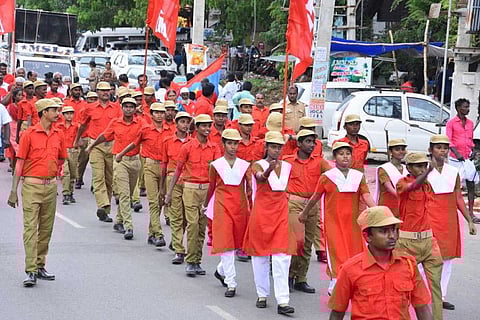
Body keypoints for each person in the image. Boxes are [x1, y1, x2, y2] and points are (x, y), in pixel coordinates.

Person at [328, 206, 433, 320]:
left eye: (393, 230)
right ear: (367, 237)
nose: (392, 236)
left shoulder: (408, 264)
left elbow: (422, 307)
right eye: (383, 231)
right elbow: (337, 313)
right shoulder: (350, 269)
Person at [299, 141, 375, 295]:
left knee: (355, 251)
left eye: (348, 154)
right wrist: (305, 212)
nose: (345, 157)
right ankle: (335, 280)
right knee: (336, 250)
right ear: (334, 157)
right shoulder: (327, 177)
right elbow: (315, 197)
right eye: (341, 154)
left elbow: (366, 195)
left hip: (353, 223)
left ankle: (354, 281)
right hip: (333, 221)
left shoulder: (358, 176)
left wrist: (376, 210)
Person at [7, 98, 66, 287]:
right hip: (31, 186)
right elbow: (20, 163)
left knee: (46, 229)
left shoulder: (59, 134)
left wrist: (56, 179)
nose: (57, 113)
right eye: (53, 110)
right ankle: (30, 269)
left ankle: (41, 265)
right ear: (43, 113)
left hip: (50, 187)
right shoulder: (29, 134)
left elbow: (60, 159)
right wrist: (13, 191)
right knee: (30, 229)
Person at [243, 131, 295, 315]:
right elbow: (259, 178)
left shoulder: (288, 166)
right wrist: (268, 170)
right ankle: (262, 294)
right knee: (260, 256)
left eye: (279, 147)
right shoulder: (258, 164)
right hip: (262, 213)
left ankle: (283, 300)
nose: (276, 150)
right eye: (273, 146)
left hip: (280, 213)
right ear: (266, 148)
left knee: (283, 256)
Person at [165, 114, 221, 276]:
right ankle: (190, 261)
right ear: (196, 128)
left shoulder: (214, 148)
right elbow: (178, 170)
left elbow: (218, 171)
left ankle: (197, 260)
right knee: (193, 224)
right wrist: (169, 192)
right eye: (203, 126)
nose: (207, 129)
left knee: (202, 227)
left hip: (207, 190)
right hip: (190, 189)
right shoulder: (187, 147)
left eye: (209, 126)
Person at [427, 134, 477, 310]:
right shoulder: (424, 170)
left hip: (449, 219)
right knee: (428, 258)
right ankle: (425, 295)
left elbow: (457, 197)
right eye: (438, 147)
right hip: (429, 218)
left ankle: (441, 295)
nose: (442, 150)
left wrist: (469, 220)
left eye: (445, 147)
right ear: (430, 149)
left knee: (446, 259)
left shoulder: (453, 172)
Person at [396, 152, 444, 320]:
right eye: (418, 166)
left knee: (436, 286)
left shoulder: (427, 185)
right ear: (408, 167)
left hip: (429, 240)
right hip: (407, 241)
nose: (422, 169)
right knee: (405, 285)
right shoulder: (402, 183)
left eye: (424, 165)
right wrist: (429, 171)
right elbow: (412, 187)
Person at [204, 128, 251, 298]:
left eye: (235, 143)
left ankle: (220, 270)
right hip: (222, 205)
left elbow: (249, 190)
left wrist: (250, 208)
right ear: (223, 144)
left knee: (236, 243)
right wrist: (205, 205)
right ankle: (231, 282)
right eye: (229, 143)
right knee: (226, 243)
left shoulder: (245, 165)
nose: (233, 147)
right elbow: (211, 187)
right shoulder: (216, 165)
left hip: (239, 207)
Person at [87, 98, 144, 239]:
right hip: (120, 161)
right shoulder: (116, 122)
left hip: (135, 161)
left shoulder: (141, 123)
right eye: (126, 106)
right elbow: (104, 136)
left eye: (131, 107)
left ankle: (118, 221)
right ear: (122, 108)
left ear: (135, 108)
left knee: (129, 194)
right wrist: (91, 146)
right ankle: (128, 226)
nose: (129, 109)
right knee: (124, 194)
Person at [117, 103, 172, 246]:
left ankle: (151, 233)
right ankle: (159, 234)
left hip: (166, 167)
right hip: (150, 166)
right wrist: (121, 154)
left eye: (162, 112)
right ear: (152, 114)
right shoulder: (146, 129)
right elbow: (134, 144)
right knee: (153, 201)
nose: (159, 115)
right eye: (156, 112)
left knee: (160, 201)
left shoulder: (170, 130)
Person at [283, 129, 331, 294]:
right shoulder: (287, 161)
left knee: (308, 243)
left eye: (313, 142)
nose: (311, 145)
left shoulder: (319, 162)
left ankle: (301, 279)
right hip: (294, 204)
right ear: (299, 143)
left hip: (312, 205)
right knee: (297, 241)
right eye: (308, 141)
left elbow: (333, 175)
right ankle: (289, 275)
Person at [74, 82, 122, 223]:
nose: (105, 93)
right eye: (102, 91)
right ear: (97, 92)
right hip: (95, 145)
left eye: (107, 91)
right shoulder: (89, 108)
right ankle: (103, 204)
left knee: (109, 179)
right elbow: (83, 125)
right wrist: (77, 139)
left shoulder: (117, 108)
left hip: (112, 145)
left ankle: (105, 211)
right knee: (98, 176)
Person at [161, 112, 193, 264]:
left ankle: (176, 241)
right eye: (182, 122)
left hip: (188, 181)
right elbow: (164, 164)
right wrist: (163, 188)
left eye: (187, 122)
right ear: (176, 123)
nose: (185, 125)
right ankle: (179, 250)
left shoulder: (192, 142)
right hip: (172, 179)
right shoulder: (168, 141)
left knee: (187, 217)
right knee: (176, 215)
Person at [446, 98, 480, 223]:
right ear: (458, 108)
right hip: (455, 159)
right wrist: (456, 153)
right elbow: (448, 140)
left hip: (467, 158)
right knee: (455, 186)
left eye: (468, 107)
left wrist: (473, 151)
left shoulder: (470, 123)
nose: (467, 109)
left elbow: (470, 140)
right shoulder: (451, 123)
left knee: (471, 184)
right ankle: (452, 212)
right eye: (465, 107)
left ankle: (471, 213)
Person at [374, 139, 408, 217]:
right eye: (397, 149)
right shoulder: (384, 169)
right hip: (388, 205)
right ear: (390, 151)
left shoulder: (406, 168)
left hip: (403, 205)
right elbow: (389, 188)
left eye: (402, 149)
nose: (400, 152)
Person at [57, 106, 79, 205]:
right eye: (67, 113)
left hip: (73, 150)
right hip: (63, 150)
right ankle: (65, 193)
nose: (69, 116)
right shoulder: (58, 126)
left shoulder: (76, 126)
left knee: (73, 173)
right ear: (63, 115)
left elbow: (80, 139)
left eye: (71, 113)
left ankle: (70, 192)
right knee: (65, 172)